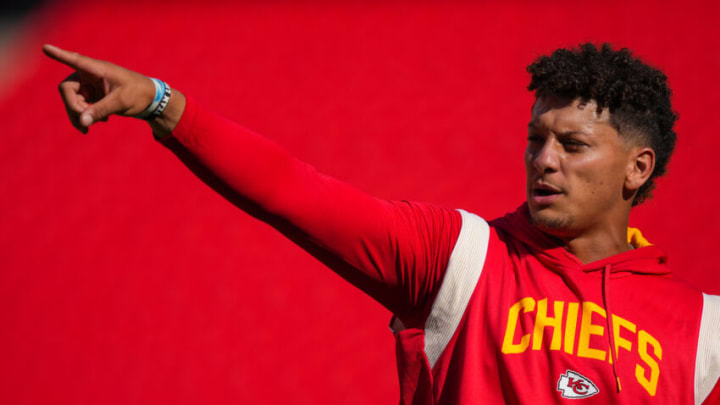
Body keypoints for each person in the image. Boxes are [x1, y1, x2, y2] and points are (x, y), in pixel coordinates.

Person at [42, 42, 719, 404]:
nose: (543, 161)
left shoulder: (703, 334)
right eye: (535, 138)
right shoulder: (460, 257)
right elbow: (293, 192)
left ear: (637, 168)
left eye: (572, 145)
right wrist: (162, 104)